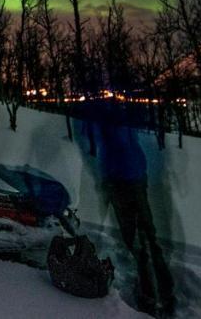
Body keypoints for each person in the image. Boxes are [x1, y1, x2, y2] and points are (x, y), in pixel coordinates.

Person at [81, 97, 176, 316]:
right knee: (148, 235)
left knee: (135, 239)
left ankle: (149, 294)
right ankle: (164, 292)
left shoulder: (105, 123)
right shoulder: (127, 120)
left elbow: (105, 151)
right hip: (136, 177)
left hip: (121, 181)